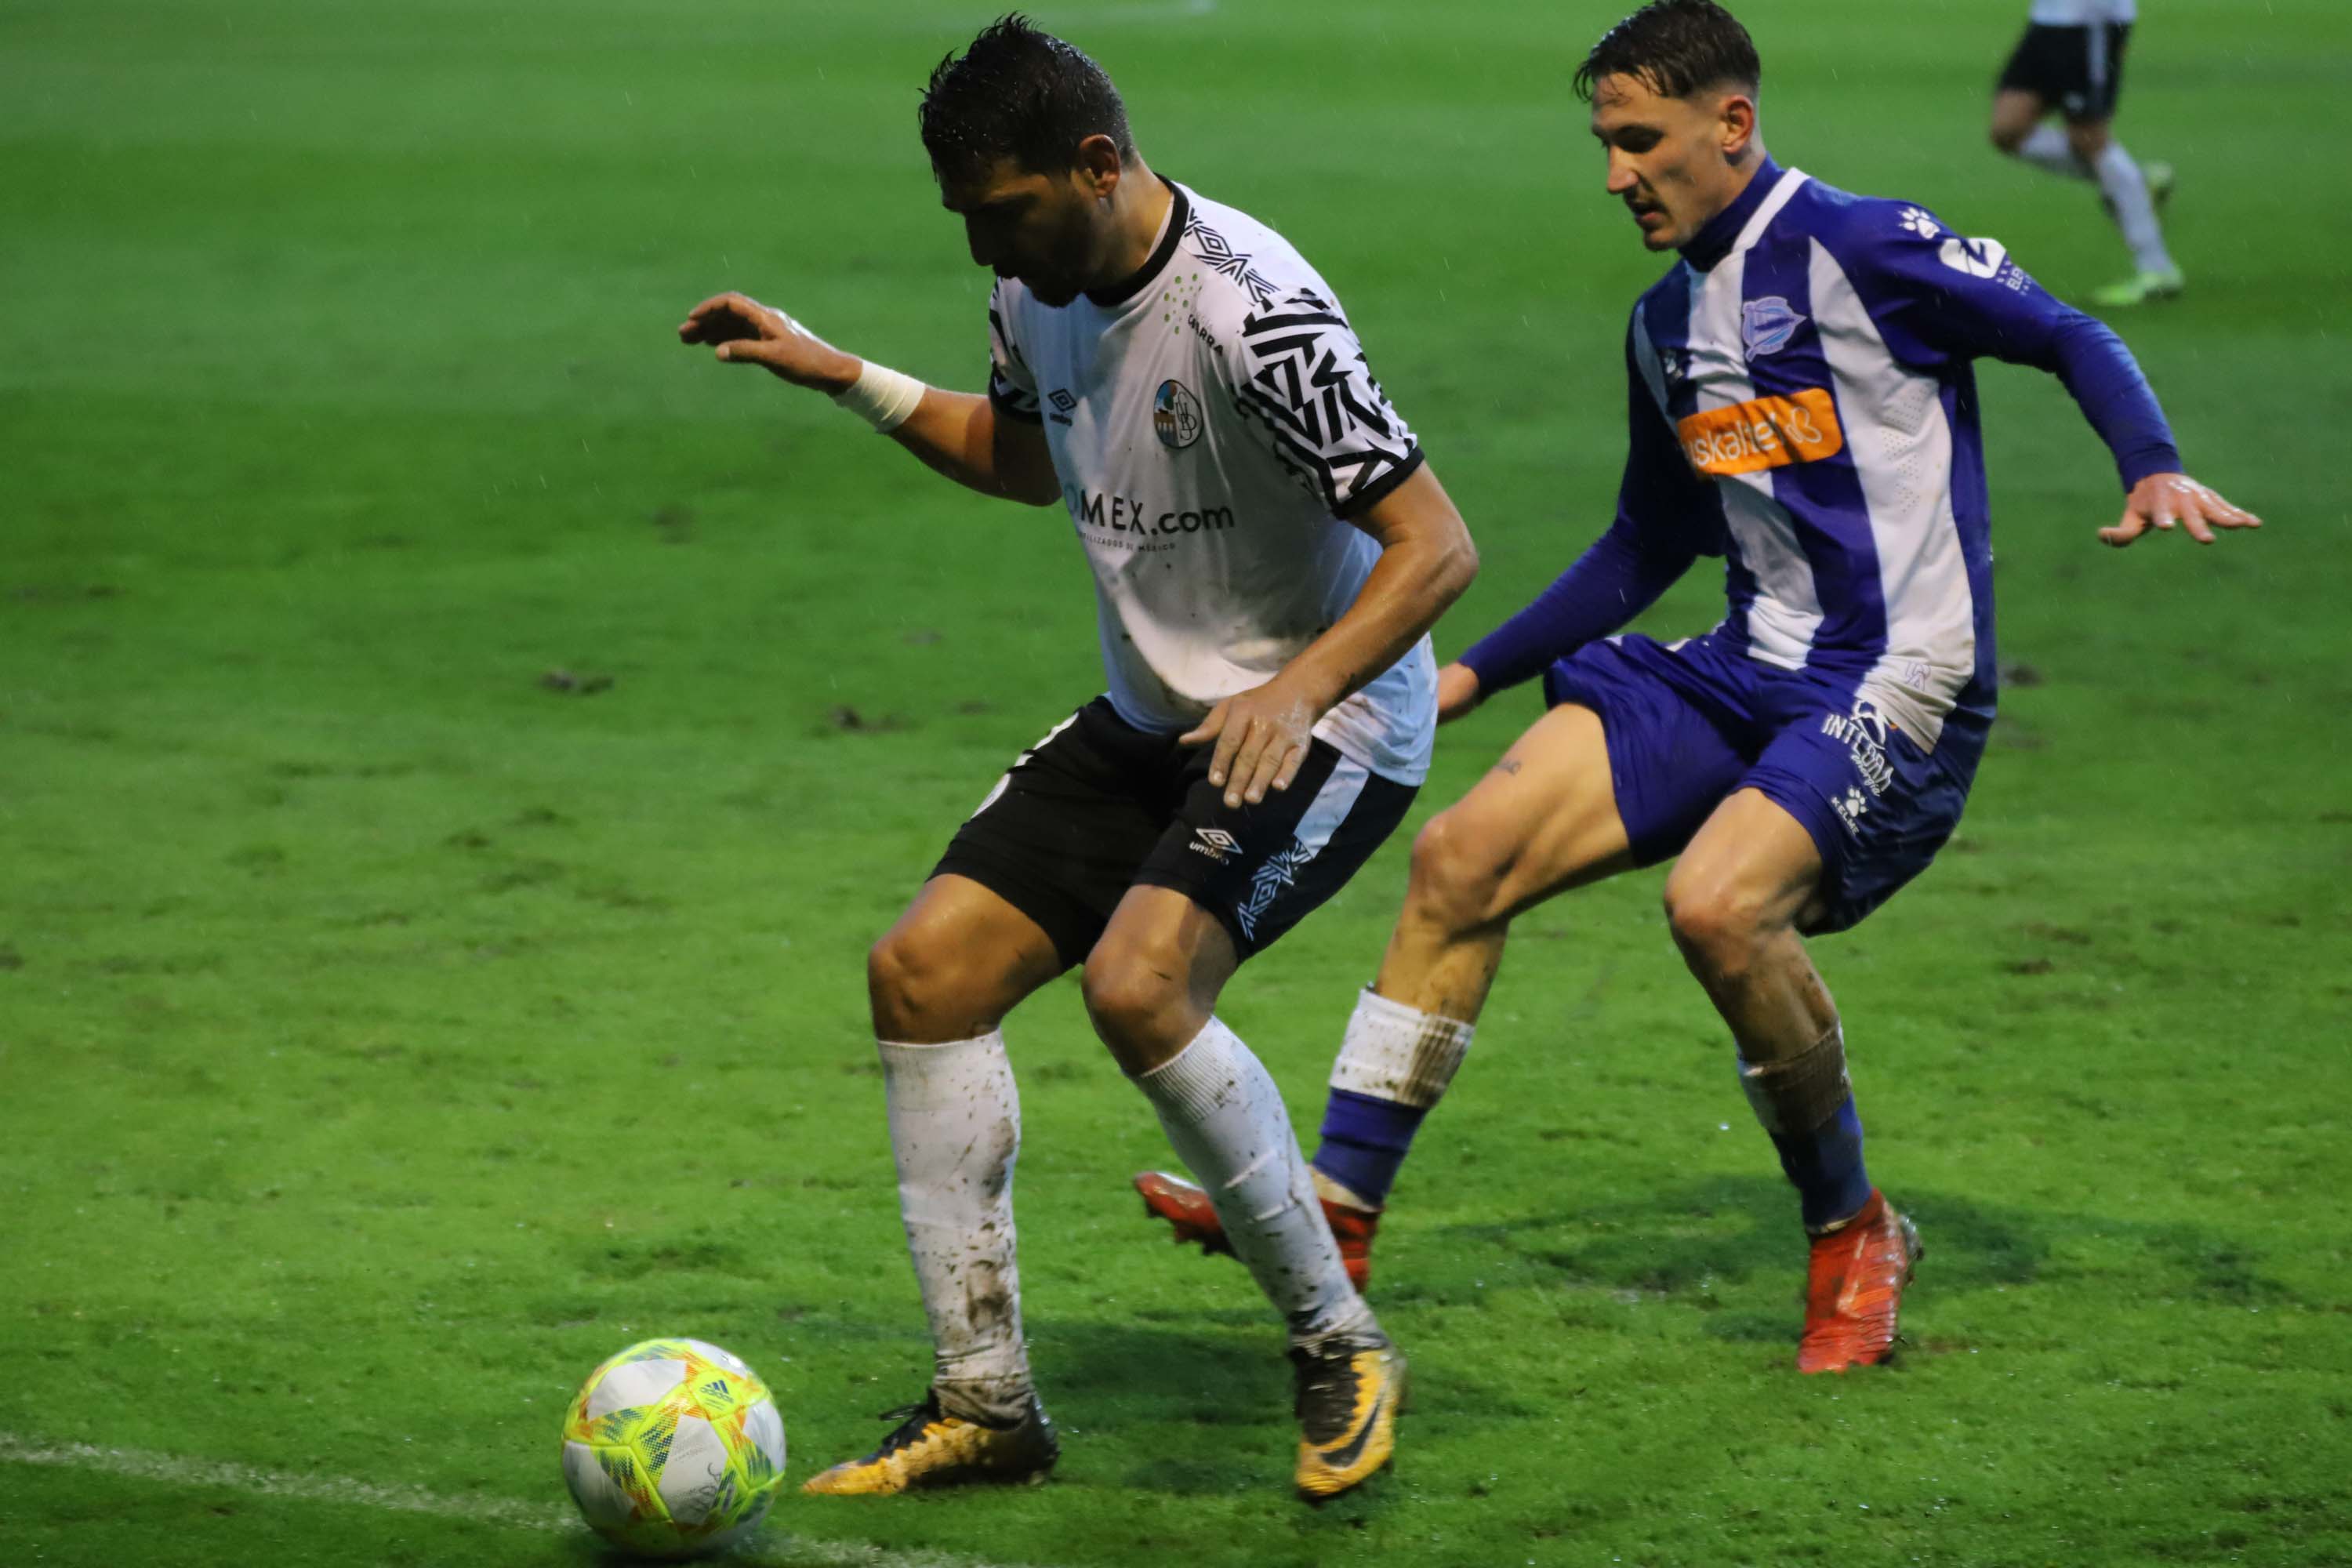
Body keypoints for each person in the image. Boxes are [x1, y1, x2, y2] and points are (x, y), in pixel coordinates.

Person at [1134, 0, 2257, 1374]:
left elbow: (2073, 334)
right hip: (1743, 670)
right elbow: (1645, 545)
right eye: (1606, 144)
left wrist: (2148, 459)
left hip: (1897, 681)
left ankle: (1854, 1231)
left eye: (1640, 141)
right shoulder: (1664, 324)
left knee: (1717, 908)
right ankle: (1343, 1210)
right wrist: (1474, 672)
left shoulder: (1868, 248)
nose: (1617, 174)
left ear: (1733, 123)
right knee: (1460, 859)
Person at [679, 15, 1476, 1498]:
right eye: (967, 221)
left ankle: (1338, 1343)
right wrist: (840, 372)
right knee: (924, 975)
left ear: (1097, 164)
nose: (988, 248)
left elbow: (1436, 546)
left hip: (1332, 719)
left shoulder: (1258, 313)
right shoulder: (1039, 287)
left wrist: (1297, 692)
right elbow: (1025, 457)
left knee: (1139, 984)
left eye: (1004, 211)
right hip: (1158, 719)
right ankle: (985, 1407)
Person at [1988, 0, 2180, 307]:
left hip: (2089, 19)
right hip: (2049, 19)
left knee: (2088, 136)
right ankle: (2133, 185)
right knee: (2008, 129)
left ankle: (2157, 270)